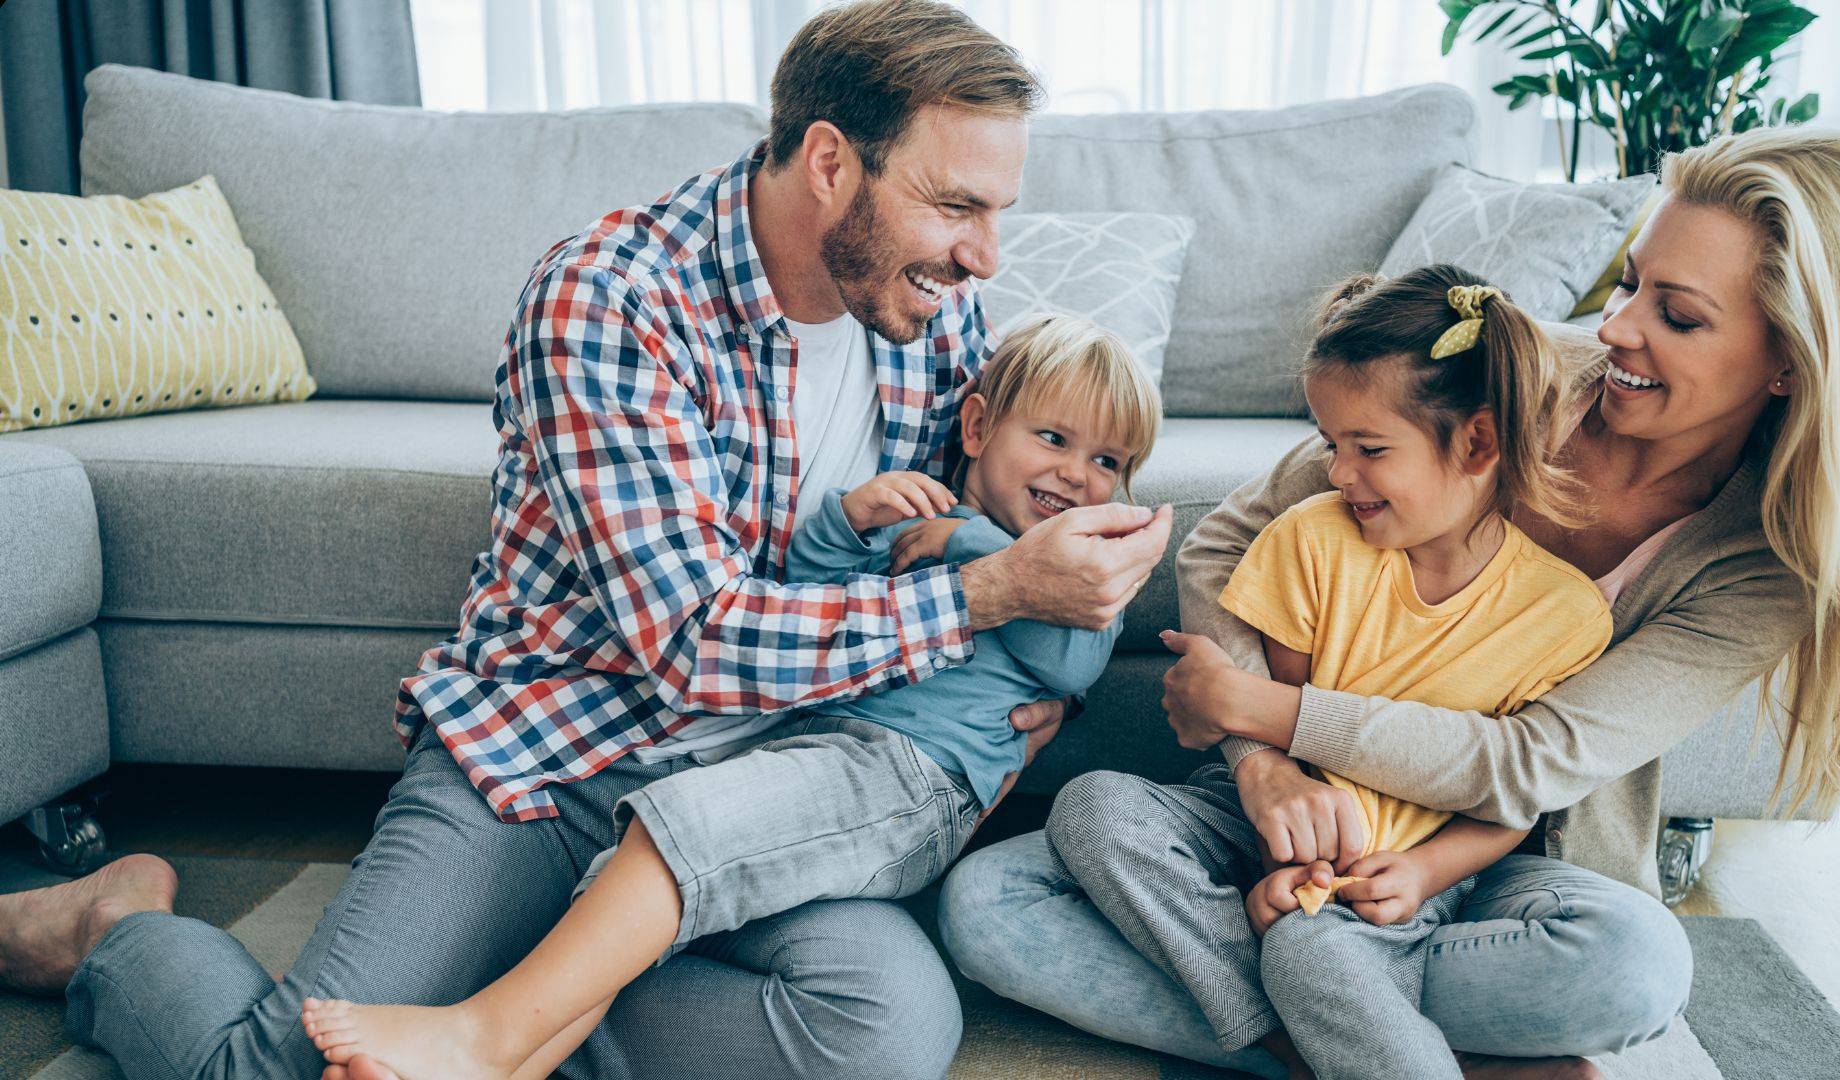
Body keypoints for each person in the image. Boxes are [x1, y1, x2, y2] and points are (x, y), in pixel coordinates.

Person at [0, 5, 1172, 1078]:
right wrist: (987, 599)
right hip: (558, 762)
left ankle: (508, 1025)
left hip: (768, 783)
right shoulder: (611, 298)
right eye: (955, 205)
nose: (984, 257)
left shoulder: (933, 313)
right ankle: (117, 933)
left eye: (995, 212)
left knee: (886, 1027)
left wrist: (1032, 678)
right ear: (829, 163)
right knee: (275, 1072)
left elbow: (1006, 533)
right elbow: (695, 643)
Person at [941, 125, 1840, 1080]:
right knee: (988, 902)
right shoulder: (1502, 371)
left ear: (1792, 361)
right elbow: (1232, 536)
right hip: (1291, 816)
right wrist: (1263, 767)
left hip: (1478, 860)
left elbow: (1530, 762)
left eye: (1679, 315)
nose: (1615, 328)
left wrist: (1269, 711)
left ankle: (1320, 1002)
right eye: (1627, 284)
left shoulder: (1762, 566)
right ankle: (1341, 1040)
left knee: (1636, 966)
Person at [298, 314, 1162, 1080]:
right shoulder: (913, 515)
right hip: (807, 748)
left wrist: (974, 548)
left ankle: (479, 1037)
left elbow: (1074, 657)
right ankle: (502, 1065)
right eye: (1053, 438)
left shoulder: (1064, 557)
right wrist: (850, 521)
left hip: (905, 781)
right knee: (634, 885)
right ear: (977, 426)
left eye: (1107, 462)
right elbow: (804, 592)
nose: (1077, 475)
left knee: (678, 844)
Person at [1047, 267, 1616, 1080]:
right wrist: (1283, 863)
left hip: (1421, 859)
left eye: (1370, 449)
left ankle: (1317, 1007)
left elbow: (1513, 803)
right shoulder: (1311, 540)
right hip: (1261, 820)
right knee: (1092, 808)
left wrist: (1419, 874)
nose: (1339, 472)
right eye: (1330, 445)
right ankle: (1311, 1043)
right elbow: (1285, 742)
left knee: (1313, 947)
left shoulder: (1562, 614)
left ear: (1479, 443)